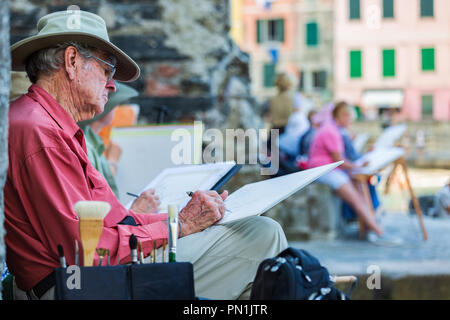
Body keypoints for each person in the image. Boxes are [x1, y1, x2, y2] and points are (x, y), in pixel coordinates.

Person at [5, 10, 287, 300]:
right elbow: (86, 250)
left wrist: (181, 219)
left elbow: (118, 222)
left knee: (254, 233)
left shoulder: (46, 124)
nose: (112, 85)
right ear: (72, 61)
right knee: (261, 235)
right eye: (107, 70)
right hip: (75, 285)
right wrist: (182, 225)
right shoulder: (40, 130)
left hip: (81, 277)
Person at [307, 102, 401, 245]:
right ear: (343, 116)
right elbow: (338, 160)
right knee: (356, 198)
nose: (352, 121)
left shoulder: (332, 129)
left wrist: (356, 165)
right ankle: (378, 231)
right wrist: (357, 165)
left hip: (330, 169)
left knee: (360, 186)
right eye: (350, 117)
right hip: (324, 170)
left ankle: (371, 228)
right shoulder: (331, 131)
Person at [77, 82, 139, 198]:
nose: (116, 109)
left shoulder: (93, 139)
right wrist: (112, 160)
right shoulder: (85, 143)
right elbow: (101, 195)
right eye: (114, 105)